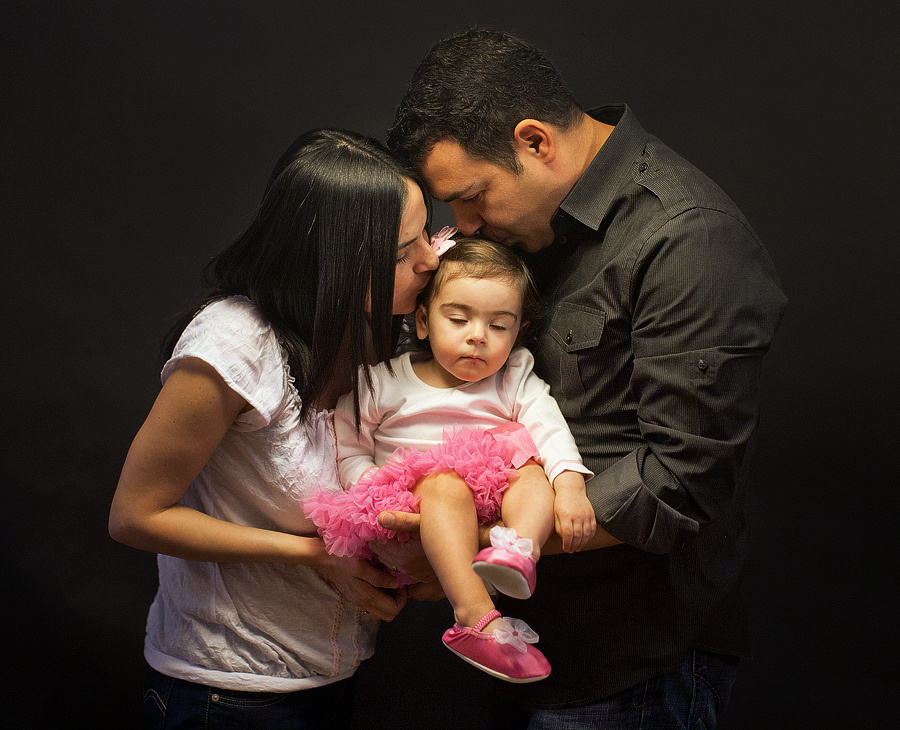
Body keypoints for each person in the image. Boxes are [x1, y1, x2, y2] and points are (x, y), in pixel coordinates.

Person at [381, 28, 788, 727]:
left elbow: (682, 480)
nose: (464, 226)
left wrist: (466, 550)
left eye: (473, 198)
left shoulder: (688, 238)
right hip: (526, 641)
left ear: (536, 141)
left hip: (632, 665)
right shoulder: (528, 229)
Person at [108, 128, 440, 728]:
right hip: (227, 693)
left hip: (333, 675)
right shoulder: (234, 343)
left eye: (426, 234)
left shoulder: (367, 329)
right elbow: (135, 516)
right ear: (330, 261)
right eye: (400, 252)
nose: (430, 260)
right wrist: (312, 555)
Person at [304, 233, 596, 684]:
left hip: (490, 500)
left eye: (500, 326)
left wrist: (571, 486)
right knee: (445, 482)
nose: (478, 337)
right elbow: (347, 439)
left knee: (532, 473)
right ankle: (475, 618)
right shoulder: (383, 382)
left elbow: (549, 426)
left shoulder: (512, 376)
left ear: (517, 332)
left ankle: (517, 551)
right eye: (459, 319)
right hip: (413, 504)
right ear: (423, 321)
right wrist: (372, 486)